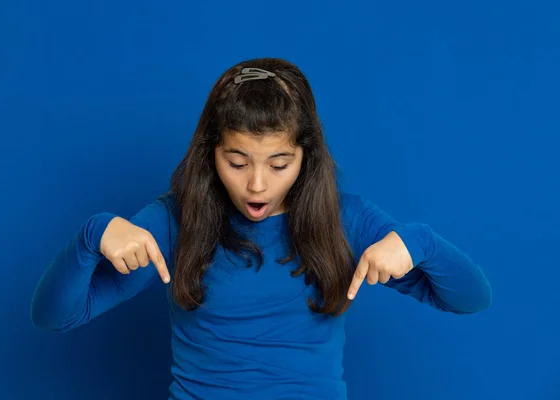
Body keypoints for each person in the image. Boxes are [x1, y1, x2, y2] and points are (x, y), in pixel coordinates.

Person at [30, 57, 492, 399]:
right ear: (211, 153)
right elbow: (54, 316)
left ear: (305, 157)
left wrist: (420, 243)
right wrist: (93, 237)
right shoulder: (175, 222)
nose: (256, 184)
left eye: (278, 163)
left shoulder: (345, 220)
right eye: (237, 161)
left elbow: (471, 299)